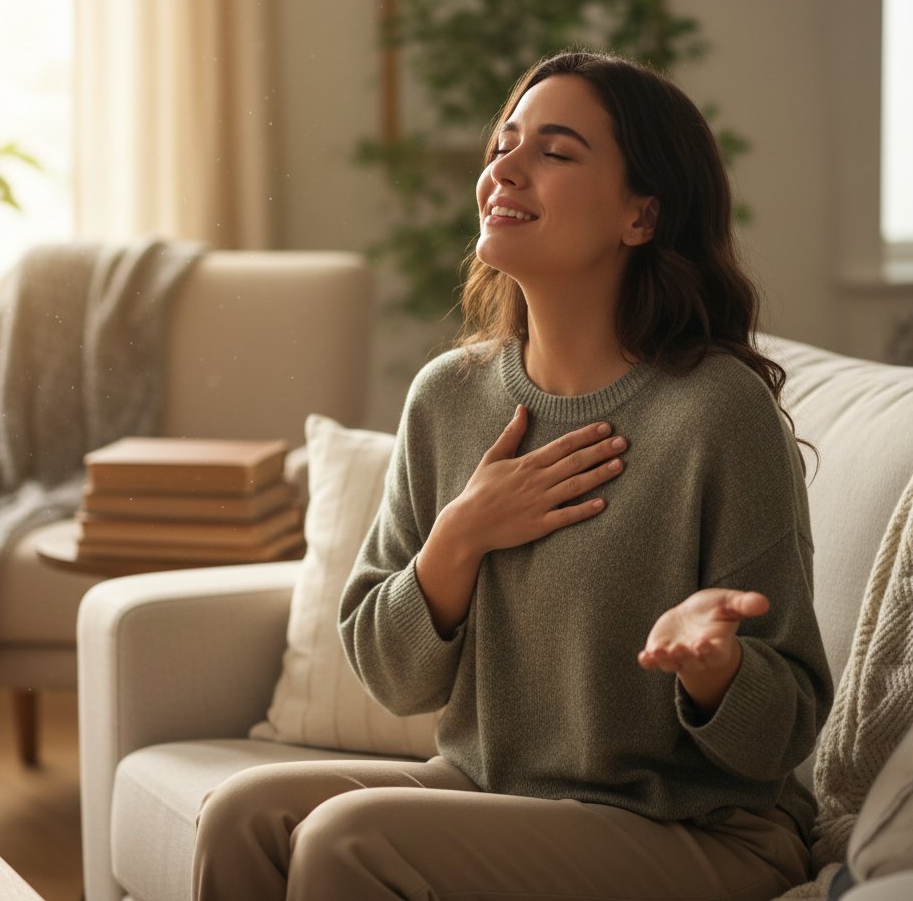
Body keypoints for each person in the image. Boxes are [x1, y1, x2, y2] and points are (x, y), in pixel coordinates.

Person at [192, 50, 833, 901]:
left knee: (351, 839)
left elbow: (782, 730)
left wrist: (714, 668)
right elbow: (394, 677)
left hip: (697, 828)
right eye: (505, 143)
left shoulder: (718, 412)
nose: (505, 168)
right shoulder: (449, 397)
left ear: (641, 216)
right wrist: (460, 537)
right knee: (241, 814)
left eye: (555, 152)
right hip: (497, 791)